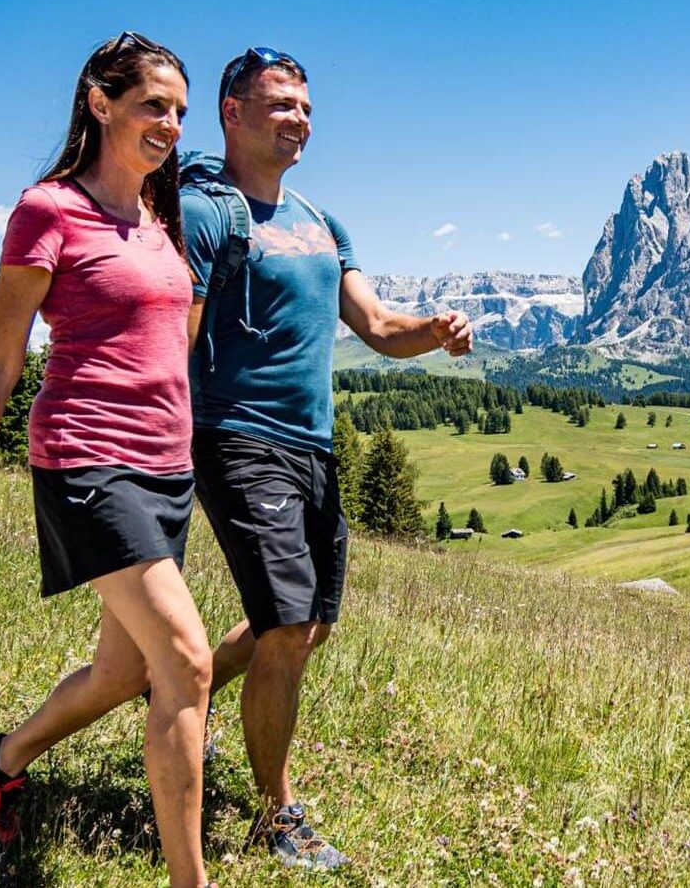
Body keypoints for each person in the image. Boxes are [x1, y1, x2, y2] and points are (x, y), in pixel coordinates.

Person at [0, 33, 216, 888]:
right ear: (100, 101)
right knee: (188, 663)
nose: (169, 124)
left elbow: (172, 339)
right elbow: (0, 359)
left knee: (126, 672)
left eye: (179, 112)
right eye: (152, 105)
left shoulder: (160, 222)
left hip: (166, 470)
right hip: (88, 460)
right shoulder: (48, 208)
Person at [179, 46, 473, 871]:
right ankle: (276, 815)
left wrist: (436, 332)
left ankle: (189, 687)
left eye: (305, 107)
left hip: (313, 445)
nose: (297, 120)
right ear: (231, 113)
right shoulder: (206, 212)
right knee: (286, 627)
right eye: (279, 105)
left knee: (312, 628)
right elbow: (177, 336)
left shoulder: (320, 220)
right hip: (236, 436)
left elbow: (377, 327)